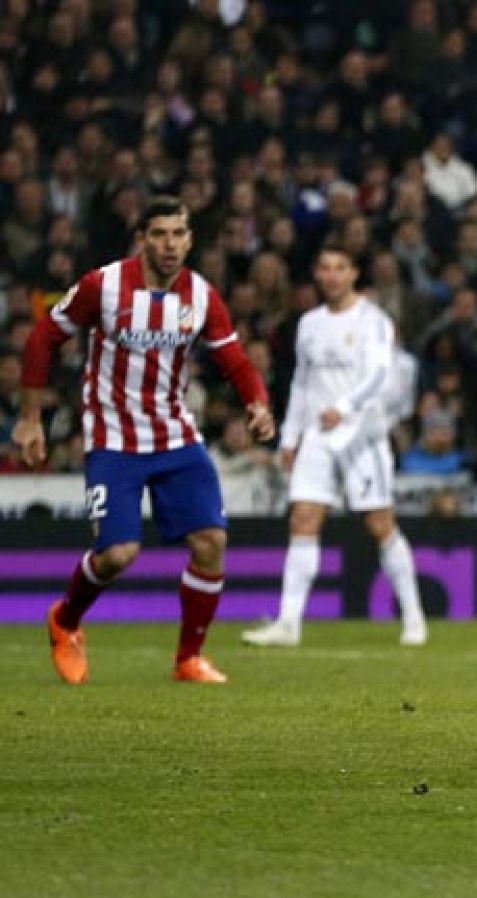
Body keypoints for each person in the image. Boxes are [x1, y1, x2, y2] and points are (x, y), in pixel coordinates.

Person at [14, 195, 277, 684]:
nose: (169, 244)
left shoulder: (201, 296)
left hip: (174, 434)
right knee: (117, 555)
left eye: (178, 234)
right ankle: (65, 621)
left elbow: (235, 360)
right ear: (142, 240)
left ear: (190, 240)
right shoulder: (104, 285)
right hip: (113, 437)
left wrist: (257, 403)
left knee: (211, 541)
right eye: (159, 234)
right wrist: (30, 418)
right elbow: (43, 338)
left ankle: (188, 659)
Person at [243, 244, 428, 647]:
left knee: (380, 524)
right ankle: (288, 624)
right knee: (303, 519)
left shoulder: (373, 321)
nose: (331, 276)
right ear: (317, 274)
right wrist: (290, 436)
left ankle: (414, 617)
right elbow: (301, 383)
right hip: (317, 436)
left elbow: (379, 374)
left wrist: (343, 408)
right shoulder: (309, 323)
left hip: (361, 434)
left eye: (340, 268)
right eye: (324, 268)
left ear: (354, 273)